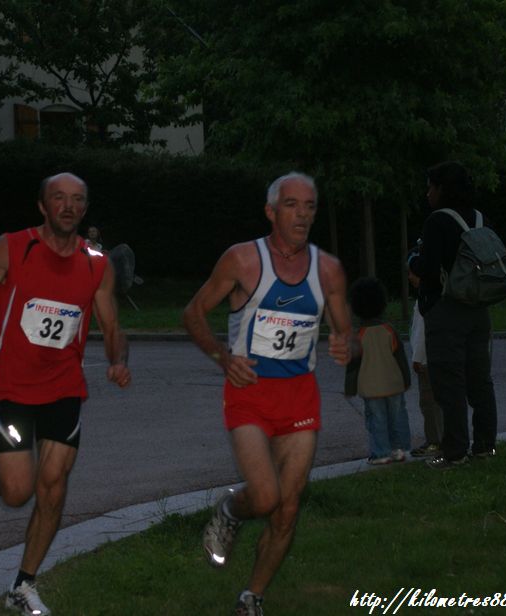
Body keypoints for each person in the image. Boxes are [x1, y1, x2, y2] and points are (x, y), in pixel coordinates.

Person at [0, 172, 131, 616]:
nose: (68, 206)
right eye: (59, 198)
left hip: (64, 385)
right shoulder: (14, 247)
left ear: (84, 209)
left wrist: (117, 359)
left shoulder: (96, 262)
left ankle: (23, 585)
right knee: (17, 493)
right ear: (42, 206)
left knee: (53, 487)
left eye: (77, 200)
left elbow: (111, 323)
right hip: (12, 384)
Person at [183, 172, 354, 616]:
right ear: (271, 211)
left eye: (310, 206)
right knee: (264, 497)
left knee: (288, 508)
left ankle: (251, 598)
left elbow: (347, 333)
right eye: (292, 205)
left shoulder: (328, 269)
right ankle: (231, 510)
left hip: (300, 400)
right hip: (250, 394)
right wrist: (224, 358)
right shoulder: (242, 260)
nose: (302, 215)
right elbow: (193, 313)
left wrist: (345, 344)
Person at [411, 161, 498, 469]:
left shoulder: (437, 221)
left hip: (446, 311)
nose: (428, 193)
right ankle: (485, 446)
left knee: (449, 385)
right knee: (480, 381)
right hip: (478, 309)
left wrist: (413, 262)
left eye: (431, 187)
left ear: (442, 189)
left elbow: (428, 269)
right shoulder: (480, 218)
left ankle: (455, 452)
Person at [344, 277, 412, 464]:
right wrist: (406, 380)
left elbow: (353, 366)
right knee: (397, 417)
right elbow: (401, 359)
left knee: (377, 419)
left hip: (371, 387)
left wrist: (350, 388)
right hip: (394, 384)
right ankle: (399, 449)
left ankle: (381, 453)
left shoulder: (358, 336)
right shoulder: (390, 330)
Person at [405, 260, 443, 458]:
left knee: (429, 403)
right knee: (439, 401)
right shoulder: (438, 296)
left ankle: (434, 440)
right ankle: (443, 437)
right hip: (439, 357)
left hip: (427, 360)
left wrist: (417, 358)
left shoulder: (424, 300)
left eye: (412, 273)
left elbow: (421, 332)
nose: (409, 277)